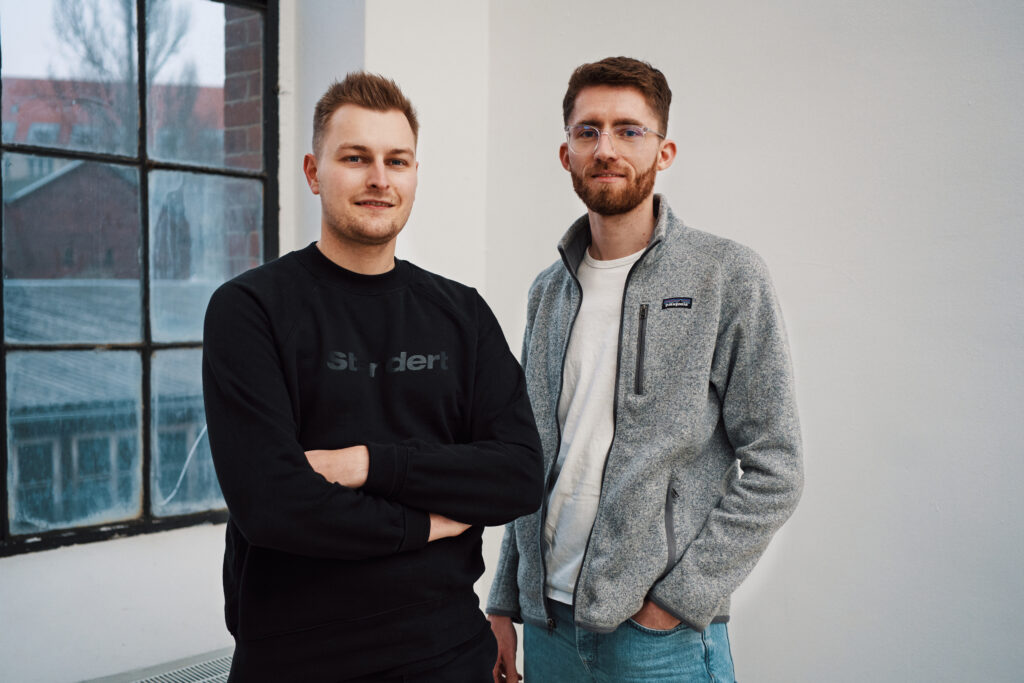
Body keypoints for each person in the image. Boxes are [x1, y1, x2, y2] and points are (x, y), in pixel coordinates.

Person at [203, 72, 544, 682]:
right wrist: (426, 523)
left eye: (397, 161)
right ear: (313, 172)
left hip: (448, 655)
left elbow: (517, 476)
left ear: (414, 175)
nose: (380, 179)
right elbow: (273, 504)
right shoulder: (250, 309)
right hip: (296, 665)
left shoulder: (461, 313)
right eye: (355, 158)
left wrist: (368, 464)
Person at [486, 56, 804, 682]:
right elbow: (534, 455)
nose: (606, 148)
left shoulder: (725, 275)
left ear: (664, 152)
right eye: (588, 131)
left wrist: (676, 602)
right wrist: (505, 600)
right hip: (547, 629)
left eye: (628, 130)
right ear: (566, 154)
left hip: (660, 644)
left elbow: (778, 467)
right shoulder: (548, 292)